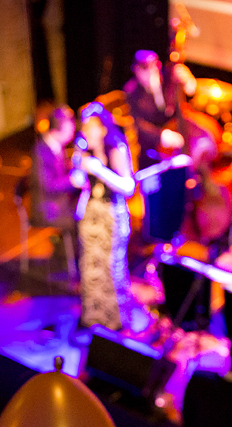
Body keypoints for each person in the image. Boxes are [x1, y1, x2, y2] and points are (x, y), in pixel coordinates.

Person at [73, 102, 136, 330]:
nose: (85, 132)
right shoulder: (84, 149)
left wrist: (100, 170)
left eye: (89, 127)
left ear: (102, 128)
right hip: (91, 216)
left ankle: (115, 322)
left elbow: (128, 187)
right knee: (90, 268)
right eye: (83, 127)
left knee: (111, 269)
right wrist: (79, 169)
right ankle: (93, 319)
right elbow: (78, 181)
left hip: (112, 216)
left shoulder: (116, 148)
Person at [122, 50, 185, 164]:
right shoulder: (131, 91)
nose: (151, 72)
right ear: (136, 70)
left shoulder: (169, 77)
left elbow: (176, 107)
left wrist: (187, 83)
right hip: (152, 148)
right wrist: (161, 135)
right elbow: (137, 124)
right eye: (145, 68)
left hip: (177, 132)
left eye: (155, 66)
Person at [28, 105, 77, 232]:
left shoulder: (57, 145)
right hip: (48, 210)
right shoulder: (40, 152)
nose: (72, 134)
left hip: (59, 201)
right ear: (55, 131)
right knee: (82, 219)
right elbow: (48, 185)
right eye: (69, 131)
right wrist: (72, 181)